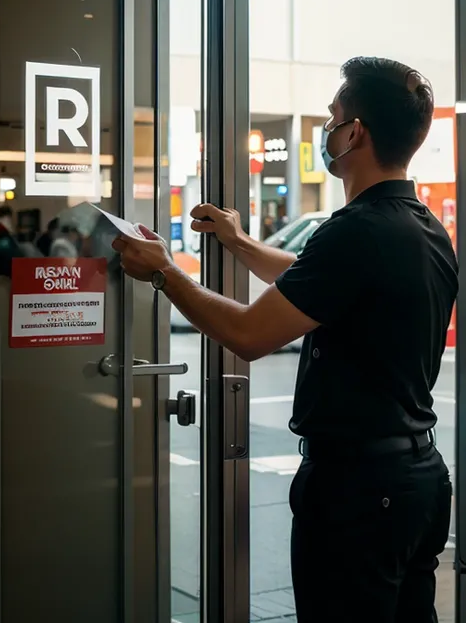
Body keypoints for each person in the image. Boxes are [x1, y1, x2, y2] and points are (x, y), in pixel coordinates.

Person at [112, 56, 459, 622]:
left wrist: (163, 271)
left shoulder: (355, 231)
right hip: (417, 483)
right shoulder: (421, 226)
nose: (328, 128)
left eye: (333, 118)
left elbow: (248, 334)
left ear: (355, 134)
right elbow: (312, 278)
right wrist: (239, 241)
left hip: (359, 493)